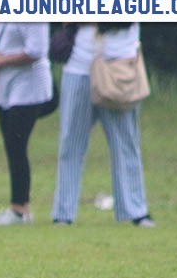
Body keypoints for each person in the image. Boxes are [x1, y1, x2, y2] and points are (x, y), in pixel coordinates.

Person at [52, 23, 154, 227]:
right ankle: (63, 213)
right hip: (78, 68)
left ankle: (135, 210)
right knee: (70, 144)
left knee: (125, 144)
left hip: (118, 68)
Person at [0, 22, 53, 225]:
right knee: (11, 146)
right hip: (7, 87)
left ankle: (20, 209)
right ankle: (19, 207)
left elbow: (36, 51)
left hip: (28, 88)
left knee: (17, 146)